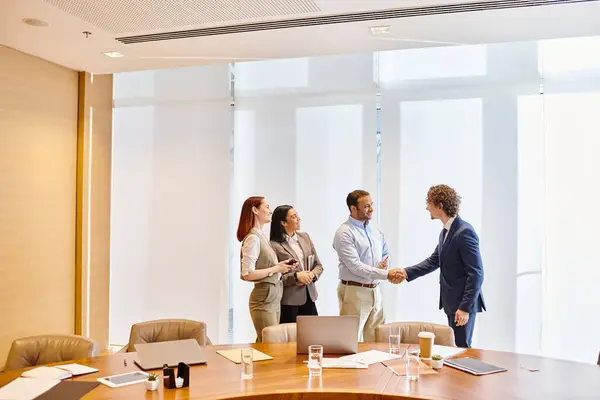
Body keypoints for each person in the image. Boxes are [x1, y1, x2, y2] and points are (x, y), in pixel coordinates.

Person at [394, 184, 486, 348]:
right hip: (452, 302)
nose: (427, 208)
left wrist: (465, 308)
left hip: (462, 305)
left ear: (440, 205)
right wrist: (406, 272)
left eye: (429, 203)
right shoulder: (446, 231)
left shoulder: (464, 232)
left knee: (462, 348)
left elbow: (476, 273)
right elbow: (434, 260)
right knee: (454, 348)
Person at [333, 189, 404, 342]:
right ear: (353, 208)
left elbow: (386, 253)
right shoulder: (344, 233)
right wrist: (387, 274)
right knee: (351, 340)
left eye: (371, 205)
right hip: (354, 291)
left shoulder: (375, 229)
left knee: (377, 338)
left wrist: (386, 264)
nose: (371, 209)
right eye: (366, 206)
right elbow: (356, 267)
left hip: (375, 291)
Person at [237, 196, 297, 342]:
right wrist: (276, 268)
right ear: (255, 210)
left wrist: (281, 266)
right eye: (267, 206)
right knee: (270, 344)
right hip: (264, 297)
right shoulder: (253, 238)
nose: (270, 211)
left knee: (270, 343)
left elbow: (266, 265)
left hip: (273, 295)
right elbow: (247, 274)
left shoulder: (261, 236)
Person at [270, 205, 323, 324]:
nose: (299, 218)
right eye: (294, 216)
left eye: (297, 215)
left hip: (310, 296)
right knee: (290, 340)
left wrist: (311, 276)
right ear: (283, 222)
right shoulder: (273, 245)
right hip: (288, 301)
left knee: (313, 335)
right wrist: (296, 277)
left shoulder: (305, 237)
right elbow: (273, 277)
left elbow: (318, 265)